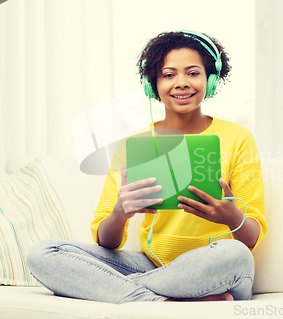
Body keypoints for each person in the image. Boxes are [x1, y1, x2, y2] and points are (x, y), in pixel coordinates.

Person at [27, 31, 267, 304]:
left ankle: (116, 291)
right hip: (152, 266)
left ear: (211, 80)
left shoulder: (238, 137)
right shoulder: (133, 145)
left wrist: (231, 216)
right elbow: (107, 242)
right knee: (44, 253)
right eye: (168, 75)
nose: (181, 83)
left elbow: (251, 237)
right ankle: (167, 303)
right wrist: (120, 213)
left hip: (214, 267)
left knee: (234, 254)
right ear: (152, 84)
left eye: (192, 73)